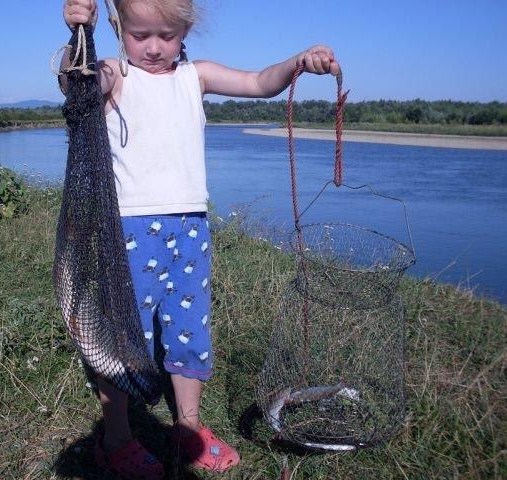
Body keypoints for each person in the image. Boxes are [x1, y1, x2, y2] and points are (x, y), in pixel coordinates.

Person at [59, 0, 340, 477]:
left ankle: (188, 428)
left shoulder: (197, 76)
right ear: (119, 28)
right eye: (140, 34)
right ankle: (117, 439)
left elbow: (257, 83)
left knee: (190, 331)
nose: (152, 47)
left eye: (165, 36)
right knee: (124, 337)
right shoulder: (114, 74)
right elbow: (74, 81)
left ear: (185, 31)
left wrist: (297, 63)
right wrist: (77, 32)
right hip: (126, 231)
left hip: (190, 229)